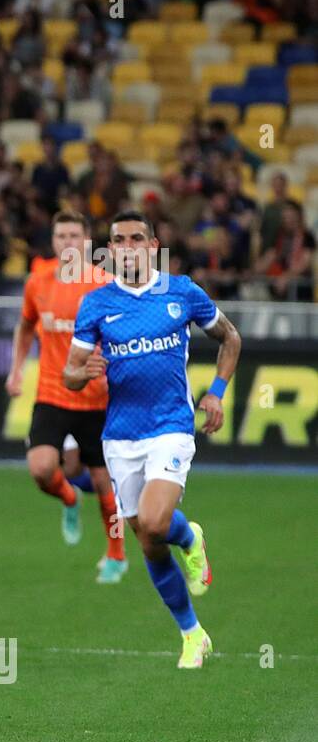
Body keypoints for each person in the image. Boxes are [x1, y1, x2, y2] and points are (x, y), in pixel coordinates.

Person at [64, 211, 242, 669]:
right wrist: (82, 373)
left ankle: (187, 534)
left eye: (136, 238)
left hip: (171, 427)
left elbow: (230, 337)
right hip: (120, 438)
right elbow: (70, 374)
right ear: (110, 250)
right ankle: (192, 633)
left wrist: (217, 393)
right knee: (147, 539)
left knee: (156, 521)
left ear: (152, 244)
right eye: (118, 240)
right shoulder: (97, 304)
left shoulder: (180, 291)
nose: (127, 246)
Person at [6, 210, 126, 582]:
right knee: (42, 470)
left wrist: (114, 371)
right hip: (53, 393)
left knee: (107, 485)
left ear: (88, 242)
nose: (68, 243)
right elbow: (26, 326)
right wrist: (16, 370)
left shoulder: (106, 285)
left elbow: (125, 337)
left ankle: (116, 555)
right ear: (54, 242)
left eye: (75, 236)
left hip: (97, 400)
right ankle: (70, 498)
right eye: (61, 237)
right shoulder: (38, 283)